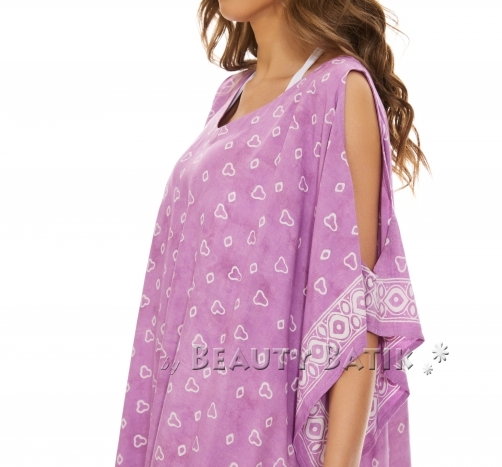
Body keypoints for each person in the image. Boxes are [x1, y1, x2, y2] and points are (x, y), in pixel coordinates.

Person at [114, 0, 431, 466]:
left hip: (266, 439)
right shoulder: (231, 94)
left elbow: (359, 313)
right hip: (185, 426)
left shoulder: (340, 90)